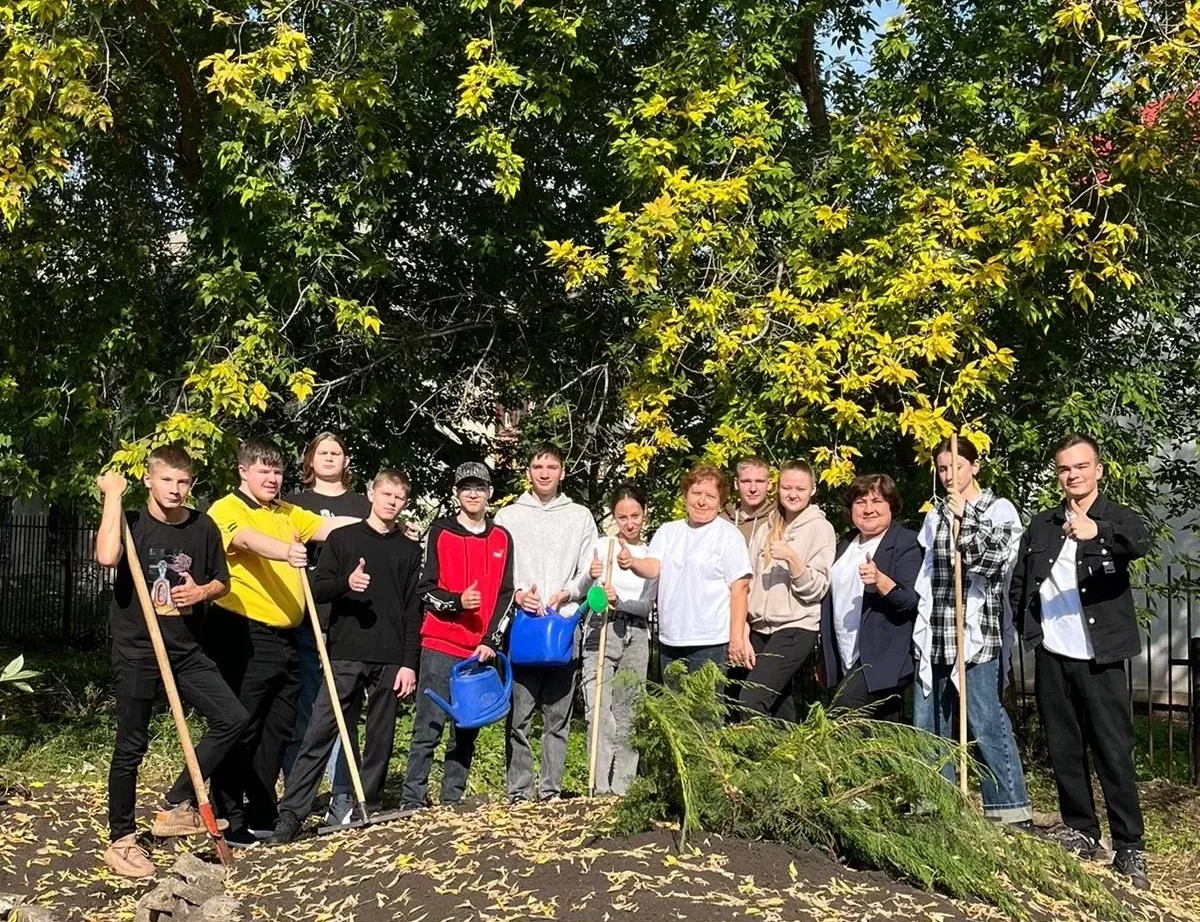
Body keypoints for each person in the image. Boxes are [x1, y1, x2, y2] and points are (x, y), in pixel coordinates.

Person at [95, 446, 247, 879]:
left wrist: (201, 592)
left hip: (185, 649)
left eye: (183, 482)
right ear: (148, 480)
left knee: (232, 717)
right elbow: (106, 557)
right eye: (166, 480)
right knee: (131, 744)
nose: (175, 489)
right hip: (138, 648)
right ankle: (121, 839)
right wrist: (112, 495)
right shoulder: (131, 523)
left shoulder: (202, 527)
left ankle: (176, 803)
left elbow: (221, 581)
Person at [201, 436, 359, 847]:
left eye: (277, 471)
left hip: (288, 635)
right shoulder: (227, 508)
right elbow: (244, 541)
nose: (272, 479)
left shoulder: (288, 512)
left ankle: (261, 808)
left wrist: (379, 519)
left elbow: (328, 527)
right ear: (243, 471)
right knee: (243, 724)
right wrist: (286, 551)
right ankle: (229, 814)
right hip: (244, 632)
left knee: (280, 727)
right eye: (263, 471)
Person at [1010, 434, 1151, 889]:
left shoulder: (1117, 517)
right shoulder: (1043, 525)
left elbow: (1141, 542)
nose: (1073, 475)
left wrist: (1098, 532)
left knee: (1113, 751)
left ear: (1098, 470)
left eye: (1081, 466)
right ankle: (1081, 830)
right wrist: (1029, 629)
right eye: (1065, 469)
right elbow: (1020, 581)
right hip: (1053, 654)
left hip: (1100, 657)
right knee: (1064, 748)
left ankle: (1129, 846)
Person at [267, 469, 422, 844]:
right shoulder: (343, 538)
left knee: (380, 736)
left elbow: (412, 609)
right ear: (371, 494)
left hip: (390, 657)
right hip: (346, 653)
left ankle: (368, 805)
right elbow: (318, 589)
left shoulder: (409, 550)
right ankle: (291, 814)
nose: (391, 502)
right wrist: (347, 584)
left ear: (404, 503)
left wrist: (408, 663)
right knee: (320, 732)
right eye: (386, 494)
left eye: (399, 498)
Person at [913, 438, 1032, 828]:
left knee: (984, 718)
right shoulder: (935, 514)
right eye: (943, 469)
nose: (950, 476)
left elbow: (994, 562)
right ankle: (937, 803)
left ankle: (1009, 809)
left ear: (975, 466)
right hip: (938, 629)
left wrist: (967, 517)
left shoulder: (999, 509)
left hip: (978, 631)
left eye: (957, 467)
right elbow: (929, 572)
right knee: (931, 721)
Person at [402, 462, 514, 810]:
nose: (473, 494)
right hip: (440, 643)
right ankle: (412, 799)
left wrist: (491, 641)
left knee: (466, 728)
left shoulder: (502, 538)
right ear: (456, 493)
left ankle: (453, 798)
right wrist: (456, 602)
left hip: (478, 650)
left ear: (489, 493)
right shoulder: (440, 532)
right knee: (428, 725)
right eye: (466, 488)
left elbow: (506, 594)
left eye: (479, 488)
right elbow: (425, 590)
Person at [495, 443, 598, 803]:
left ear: (562, 472)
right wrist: (519, 594)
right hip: (524, 625)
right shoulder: (508, 516)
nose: (544, 473)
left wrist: (568, 593)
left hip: (563, 625)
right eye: (538, 466)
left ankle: (551, 789)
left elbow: (589, 569)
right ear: (528, 472)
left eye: (551, 467)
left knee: (558, 714)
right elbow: (499, 568)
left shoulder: (580, 516)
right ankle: (519, 790)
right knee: (519, 714)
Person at [282, 431, 371, 824]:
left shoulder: (362, 504)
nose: (330, 458)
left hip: (349, 619)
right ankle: (298, 792)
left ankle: (342, 796)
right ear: (311, 460)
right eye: (323, 452)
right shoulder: (292, 505)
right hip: (305, 615)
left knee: (344, 708)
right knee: (306, 706)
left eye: (337, 452)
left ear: (346, 461)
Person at [621, 464, 751, 679]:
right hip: (671, 639)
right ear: (685, 496)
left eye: (710, 496)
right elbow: (653, 567)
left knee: (704, 701)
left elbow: (740, 588)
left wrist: (736, 638)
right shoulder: (668, 531)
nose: (702, 501)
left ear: (720, 502)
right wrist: (632, 562)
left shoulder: (729, 536)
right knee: (673, 701)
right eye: (696, 493)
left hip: (710, 641)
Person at [730, 461, 835, 719]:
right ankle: (786, 745)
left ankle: (752, 745)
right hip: (760, 628)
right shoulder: (767, 527)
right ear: (777, 488)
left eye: (800, 488)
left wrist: (792, 559)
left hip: (796, 626)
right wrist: (744, 628)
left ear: (812, 490)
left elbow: (817, 589)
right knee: (779, 707)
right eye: (787, 487)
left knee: (751, 700)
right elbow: (749, 581)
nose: (793, 494)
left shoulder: (820, 529)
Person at [820, 474, 922, 721]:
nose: (868, 509)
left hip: (881, 658)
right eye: (860, 502)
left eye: (876, 501)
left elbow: (911, 601)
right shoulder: (847, 543)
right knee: (881, 734)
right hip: (846, 651)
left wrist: (880, 581)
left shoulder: (905, 542)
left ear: (891, 506)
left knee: (838, 720)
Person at [581, 482, 657, 794]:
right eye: (622, 517)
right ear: (614, 516)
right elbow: (584, 590)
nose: (629, 523)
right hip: (601, 627)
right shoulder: (602, 547)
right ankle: (598, 786)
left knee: (630, 710)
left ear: (644, 513)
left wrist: (621, 602)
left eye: (635, 515)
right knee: (598, 708)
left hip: (635, 631)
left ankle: (623, 788)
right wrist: (592, 578)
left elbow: (647, 606)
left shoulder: (650, 555)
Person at [723, 457, 772, 546]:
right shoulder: (722, 522)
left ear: (769, 484)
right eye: (746, 482)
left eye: (759, 481)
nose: (753, 489)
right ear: (736, 484)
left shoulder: (779, 520)